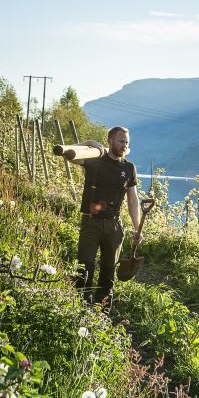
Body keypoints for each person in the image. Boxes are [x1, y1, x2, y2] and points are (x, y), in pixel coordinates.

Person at [66, 125, 141, 304]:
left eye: (127, 142)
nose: (124, 145)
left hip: (114, 225)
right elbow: (69, 154)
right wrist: (88, 143)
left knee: (109, 271)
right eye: (121, 141)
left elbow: (133, 200)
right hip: (91, 223)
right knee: (84, 267)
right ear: (110, 141)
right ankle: (81, 307)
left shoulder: (129, 168)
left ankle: (102, 311)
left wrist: (138, 228)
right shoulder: (95, 159)